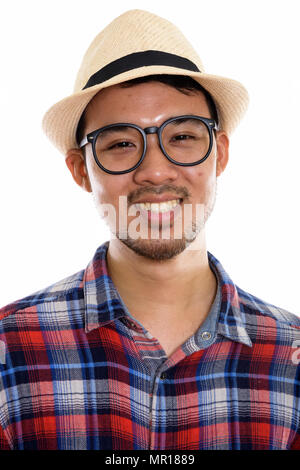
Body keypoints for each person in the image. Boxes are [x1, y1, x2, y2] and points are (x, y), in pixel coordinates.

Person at [0, 9, 299, 451]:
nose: (156, 171)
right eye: (121, 144)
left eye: (182, 136)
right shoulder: (10, 350)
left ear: (220, 154)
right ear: (80, 170)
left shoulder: (289, 360)